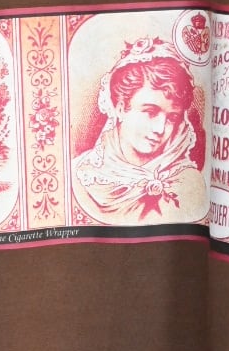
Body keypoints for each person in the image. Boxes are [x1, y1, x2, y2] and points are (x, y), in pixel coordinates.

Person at [72, 37, 207, 224]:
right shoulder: (78, 174)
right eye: (150, 112)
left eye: (172, 118)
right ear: (120, 108)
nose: (160, 129)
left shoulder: (187, 183)